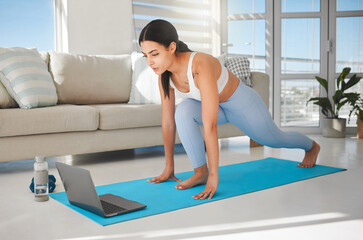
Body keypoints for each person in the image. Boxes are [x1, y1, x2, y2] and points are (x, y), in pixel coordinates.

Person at [140, 19, 320, 200]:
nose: (149, 61)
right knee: (183, 111)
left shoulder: (199, 64)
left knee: (274, 139)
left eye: (154, 54)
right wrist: (169, 167)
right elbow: (168, 123)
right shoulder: (164, 76)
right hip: (219, 108)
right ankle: (200, 172)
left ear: (171, 47)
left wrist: (214, 177)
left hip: (242, 104)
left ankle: (311, 146)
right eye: (145, 55)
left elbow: (210, 127)